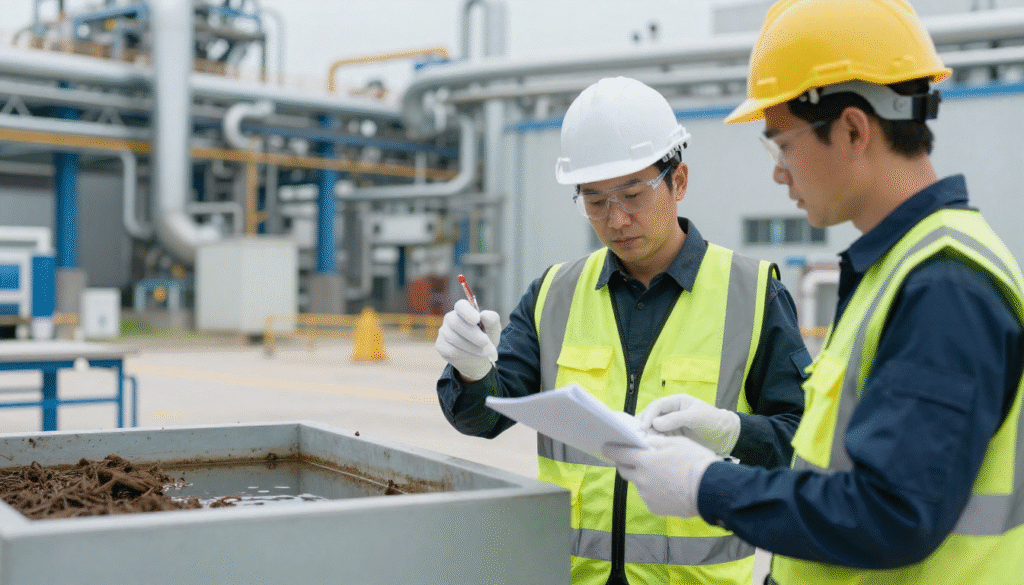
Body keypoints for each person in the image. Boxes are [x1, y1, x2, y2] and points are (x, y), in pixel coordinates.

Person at [602, 1, 1024, 583]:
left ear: (852, 129)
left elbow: (891, 513)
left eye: (783, 145)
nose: (778, 173)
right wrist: (735, 432)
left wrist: (709, 486)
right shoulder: (900, 268)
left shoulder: (944, 287)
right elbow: (849, 456)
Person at [435, 76, 809, 585]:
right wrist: (474, 371)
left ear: (678, 181)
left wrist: (732, 431)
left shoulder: (752, 294)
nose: (616, 219)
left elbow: (806, 445)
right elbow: (484, 420)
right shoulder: (555, 294)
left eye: (633, 193)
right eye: (595, 202)